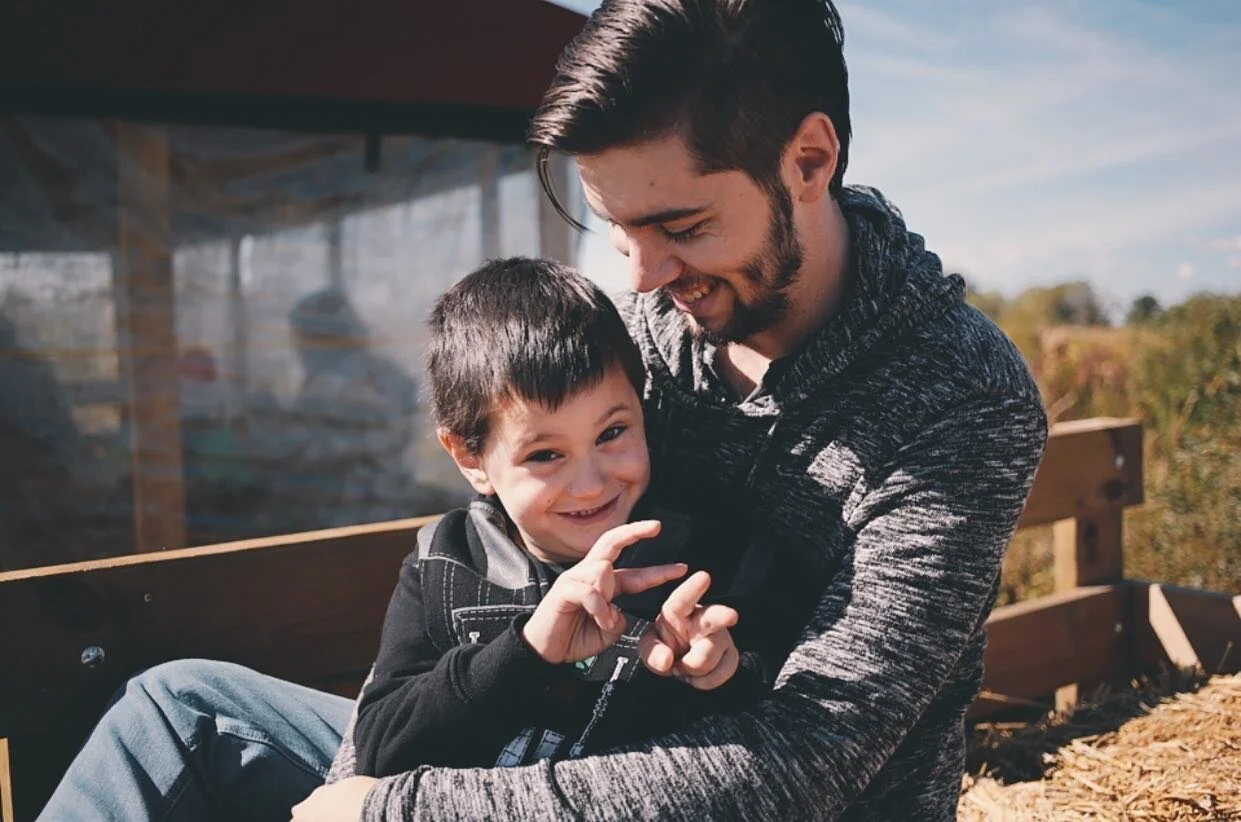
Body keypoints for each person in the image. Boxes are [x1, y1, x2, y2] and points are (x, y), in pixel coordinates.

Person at [38, 1, 1048, 820]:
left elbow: (801, 764)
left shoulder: (960, 403)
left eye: (680, 225)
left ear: (809, 160)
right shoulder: (650, 322)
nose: (643, 276)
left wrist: (403, 808)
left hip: (734, 792)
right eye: (615, 230)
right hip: (545, 733)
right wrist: (431, 726)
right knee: (180, 713)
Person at [338, 257, 796, 780]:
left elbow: (776, 726)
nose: (591, 484)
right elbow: (380, 749)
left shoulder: (703, 561)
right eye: (544, 456)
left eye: (611, 433)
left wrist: (721, 674)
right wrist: (527, 650)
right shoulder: (446, 564)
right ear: (470, 457)